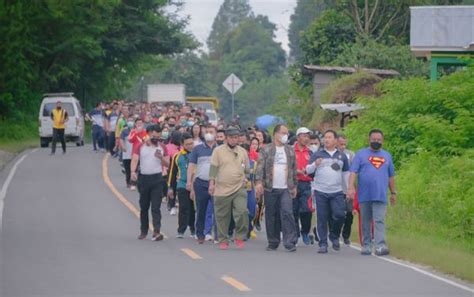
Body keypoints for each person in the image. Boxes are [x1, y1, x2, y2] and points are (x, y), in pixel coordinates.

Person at [347, 129, 396, 256]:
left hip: (380, 194)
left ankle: (380, 245)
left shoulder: (387, 156)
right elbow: (353, 172)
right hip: (364, 194)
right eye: (374, 139)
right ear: (369, 140)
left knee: (379, 220)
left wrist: (393, 193)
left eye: (379, 140)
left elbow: (391, 176)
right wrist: (350, 188)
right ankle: (366, 245)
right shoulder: (361, 154)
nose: (376, 142)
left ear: (382, 141)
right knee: (366, 220)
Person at [255, 124, 298, 252]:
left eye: (287, 133)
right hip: (270, 187)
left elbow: (294, 169)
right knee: (271, 214)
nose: (286, 136)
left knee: (287, 212)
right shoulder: (266, 150)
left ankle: (289, 242)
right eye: (283, 133)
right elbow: (260, 167)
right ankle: (273, 241)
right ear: (276, 134)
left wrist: (294, 185)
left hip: (286, 188)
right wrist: (258, 182)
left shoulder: (290, 150)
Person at [306, 130, 350, 254]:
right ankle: (323, 243)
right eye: (325, 137)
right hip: (320, 191)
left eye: (330, 137)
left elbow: (346, 174)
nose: (327, 140)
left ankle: (334, 235)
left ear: (336, 140)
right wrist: (315, 164)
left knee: (340, 215)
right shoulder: (317, 154)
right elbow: (308, 170)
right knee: (322, 218)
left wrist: (348, 190)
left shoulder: (342, 156)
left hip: (337, 191)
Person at [209, 127, 250, 250]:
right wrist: (212, 183)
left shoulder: (243, 151)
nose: (233, 140)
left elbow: (247, 169)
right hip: (222, 188)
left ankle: (239, 236)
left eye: (236, 137)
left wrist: (247, 178)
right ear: (226, 139)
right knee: (222, 216)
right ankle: (222, 239)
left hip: (239, 187)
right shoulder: (218, 151)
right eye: (231, 137)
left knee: (242, 211)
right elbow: (213, 168)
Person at [130, 124, 170, 241]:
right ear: (148, 134)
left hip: (157, 179)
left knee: (156, 207)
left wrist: (161, 158)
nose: (156, 138)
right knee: (144, 207)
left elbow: (168, 164)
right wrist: (133, 171)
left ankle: (157, 231)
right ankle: (143, 230)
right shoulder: (140, 146)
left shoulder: (162, 147)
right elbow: (135, 159)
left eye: (158, 136)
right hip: (143, 179)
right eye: (154, 136)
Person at [187, 125, 218, 244]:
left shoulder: (220, 149)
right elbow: (191, 166)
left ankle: (217, 235)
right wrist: (189, 182)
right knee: (201, 210)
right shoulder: (197, 149)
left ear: (216, 134)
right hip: (200, 183)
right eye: (207, 131)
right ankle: (200, 234)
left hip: (216, 184)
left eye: (211, 132)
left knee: (217, 211)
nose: (209, 133)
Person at [168, 132, 195, 238]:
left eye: (192, 143)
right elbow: (172, 173)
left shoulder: (196, 154)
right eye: (188, 144)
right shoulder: (177, 156)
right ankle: (181, 230)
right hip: (182, 184)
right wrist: (170, 187)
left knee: (193, 209)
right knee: (184, 207)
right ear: (182, 144)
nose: (190, 146)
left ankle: (193, 229)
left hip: (194, 185)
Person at [293, 127, 313, 245]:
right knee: (293, 210)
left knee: (306, 210)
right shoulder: (290, 151)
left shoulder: (310, 152)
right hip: (293, 183)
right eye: (303, 136)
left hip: (306, 184)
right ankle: (295, 233)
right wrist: (297, 171)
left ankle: (305, 231)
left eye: (307, 136)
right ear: (298, 137)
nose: (306, 138)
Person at [337, 134, 355, 246]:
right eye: (340, 144)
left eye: (344, 144)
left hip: (348, 188)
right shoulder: (332, 155)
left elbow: (354, 171)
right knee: (337, 213)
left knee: (349, 213)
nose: (343, 147)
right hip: (336, 189)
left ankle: (346, 235)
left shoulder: (351, 155)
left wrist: (352, 187)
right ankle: (335, 233)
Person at [165, 131, 182, 216]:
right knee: (172, 187)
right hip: (172, 170)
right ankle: (171, 205)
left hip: (181, 170)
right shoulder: (168, 147)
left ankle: (178, 203)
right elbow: (167, 160)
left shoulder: (182, 148)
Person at [120, 118, 135, 189]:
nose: (130, 122)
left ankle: (133, 182)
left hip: (135, 154)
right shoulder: (124, 131)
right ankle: (128, 182)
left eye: (131, 121)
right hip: (126, 154)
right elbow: (121, 140)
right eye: (129, 121)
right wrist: (123, 147)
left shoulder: (136, 131)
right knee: (128, 169)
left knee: (135, 169)